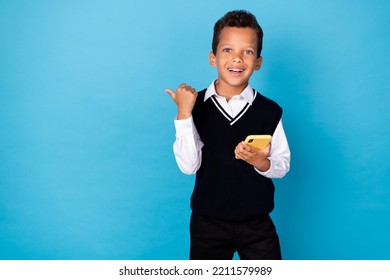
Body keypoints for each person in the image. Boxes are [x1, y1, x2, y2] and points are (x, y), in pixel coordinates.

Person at [165, 10, 290, 260]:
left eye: (247, 51)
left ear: (258, 62)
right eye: (227, 50)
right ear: (213, 58)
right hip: (207, 225)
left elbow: (282, 164)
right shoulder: (194, 105)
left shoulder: (269, 111)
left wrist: (260, 162)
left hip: (257, 225)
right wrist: (183, 114)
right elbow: (189, 166)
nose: (237, 59)